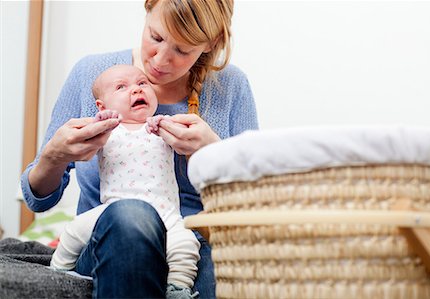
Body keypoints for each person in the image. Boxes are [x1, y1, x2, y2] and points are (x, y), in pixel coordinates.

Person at [21, 0, 258, 297]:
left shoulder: (231, 87)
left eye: (182, 50)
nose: (159, 60)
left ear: (212, 43)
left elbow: (253, 208)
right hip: (110, 242)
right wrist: (54, 156)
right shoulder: (92, 75)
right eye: (155, 37)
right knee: (132, 216)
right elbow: (38, 201)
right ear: (147, 10)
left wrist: (214, 152)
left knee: (213, 261)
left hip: (191, 251)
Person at [50, 64, 200, 298]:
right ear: (102, 106)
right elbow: (87, 137)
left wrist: (168, 126)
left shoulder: (160, 126)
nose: (136, 90)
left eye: (142, 84)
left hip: (165, 212)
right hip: (113, 210)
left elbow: (186, 139)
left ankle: (178, 287)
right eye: (121, 87)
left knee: (186, 245)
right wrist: (102, 121)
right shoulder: (107, 130)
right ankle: (58, 270)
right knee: (73, 230)